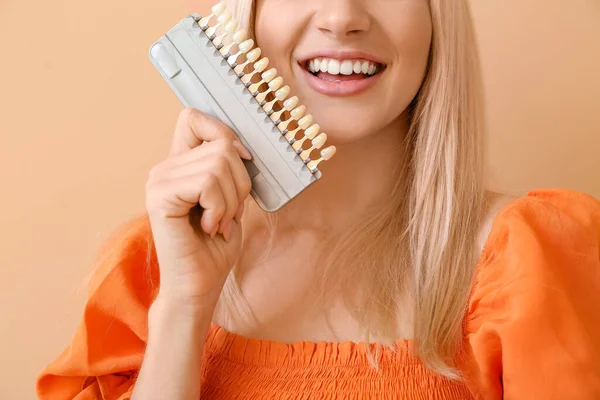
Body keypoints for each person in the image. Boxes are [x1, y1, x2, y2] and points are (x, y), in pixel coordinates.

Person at [37, 0, 600, 399]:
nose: (342, 16)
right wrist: (183, 308)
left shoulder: (530, 259)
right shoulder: (151, 266)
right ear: (249, 15)